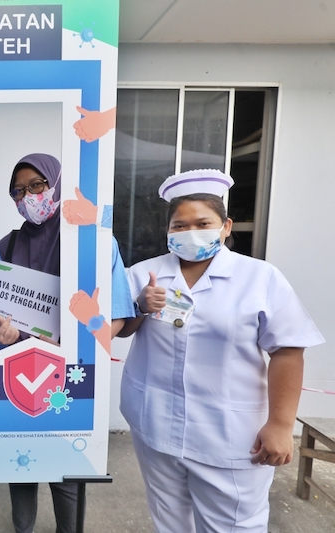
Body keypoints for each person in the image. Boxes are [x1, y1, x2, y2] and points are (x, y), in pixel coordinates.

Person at [117, 169, 324, 533]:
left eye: (203, 223)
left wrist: (280, 424)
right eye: (179, 226)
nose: (190, 232)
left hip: (230, 435)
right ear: (168, 231)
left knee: (234, 526)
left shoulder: (260, 277)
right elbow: (120, 331)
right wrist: (140, 305)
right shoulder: (143, 274)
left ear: (226, 226)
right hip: (155, 424)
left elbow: (288, 351)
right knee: (170, 523)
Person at [0, 153, 134, 533]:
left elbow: (115, 316)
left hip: (70, 375)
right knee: (21, 463)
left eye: (37, 185)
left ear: (57, 184)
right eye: (18, 191)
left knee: (68, 469)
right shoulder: (7, 246)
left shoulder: (92, 243)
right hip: (15, 371)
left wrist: (75, 340)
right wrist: (1, 331)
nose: (28, 196)